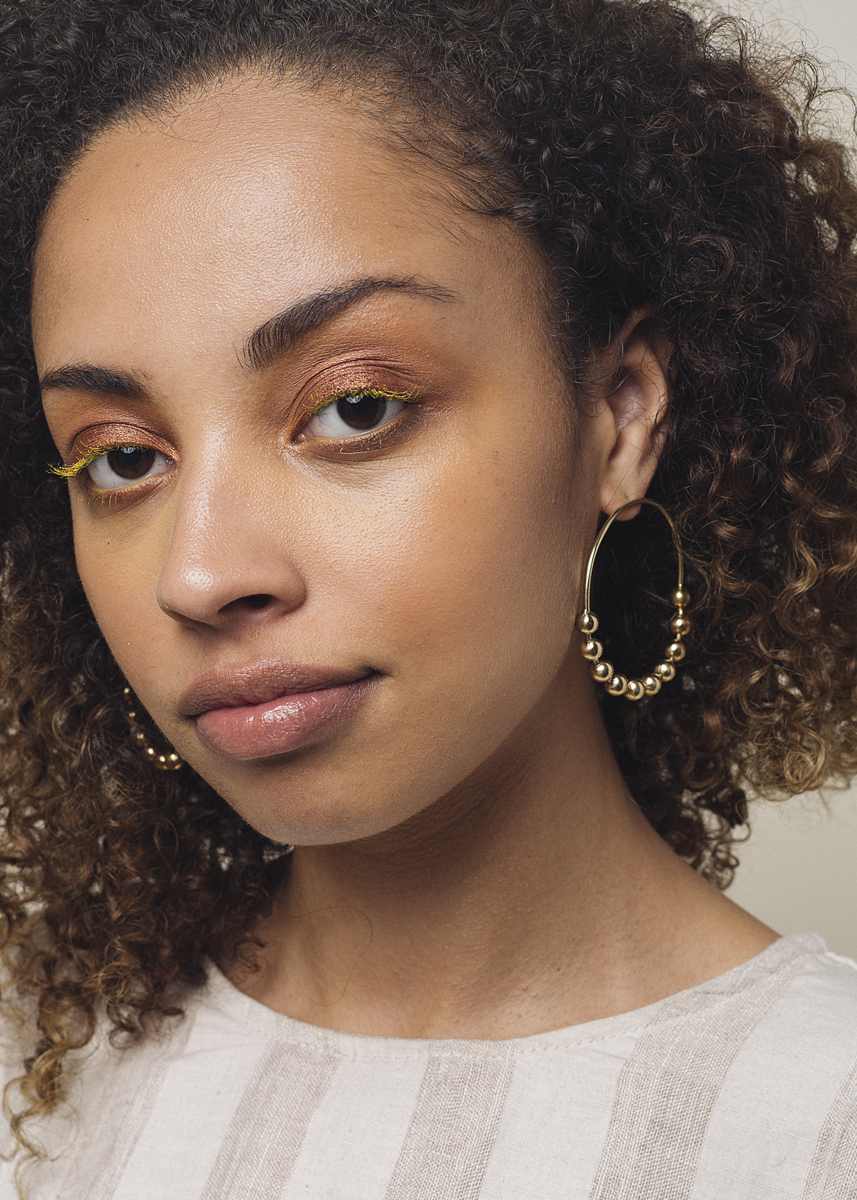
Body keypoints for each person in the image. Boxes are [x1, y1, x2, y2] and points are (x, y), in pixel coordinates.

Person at [1, 0, 856, 1195]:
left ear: (619, 417)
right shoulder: (37, 1088)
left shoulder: (818, 1124)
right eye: (122, 459)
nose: (197, 574)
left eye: (354, 408)